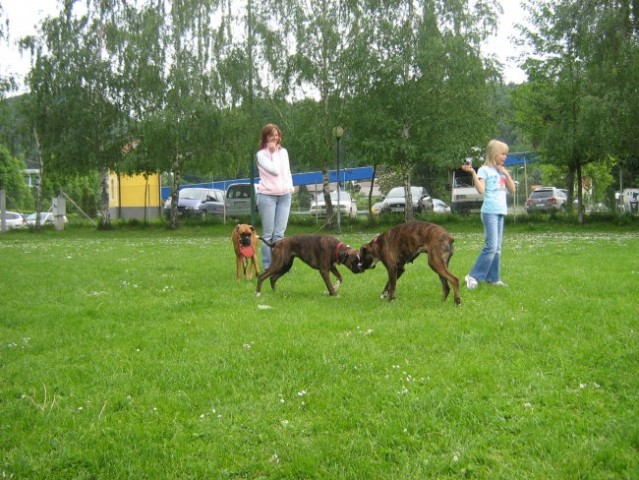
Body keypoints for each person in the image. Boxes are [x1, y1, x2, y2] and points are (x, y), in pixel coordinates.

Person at [462, 139, 516, 289]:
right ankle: (472, 276)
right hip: (489, 212)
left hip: (500, 212)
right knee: (491, 246)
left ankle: (493, 278)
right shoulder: (484, 170)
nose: (505, 157)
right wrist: (473, 172)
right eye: (503, 154)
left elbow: (512, 190)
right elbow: (481, 190)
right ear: (494, 154)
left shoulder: (501, 171)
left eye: (506, 154)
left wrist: (506, 174)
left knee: (497, 247)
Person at [256, 123, 294, 270]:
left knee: (279, 235)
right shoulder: (261, 155)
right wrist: (272, 153)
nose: (275, 137)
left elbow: (286, 171)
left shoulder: (283, 152)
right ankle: (267, 266)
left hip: (285, 196)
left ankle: (281, 265)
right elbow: (275, 171)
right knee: (268, 234)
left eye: (277, 134)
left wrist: (290, 187)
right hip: (267, 197)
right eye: (271, 135)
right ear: (265, 137)